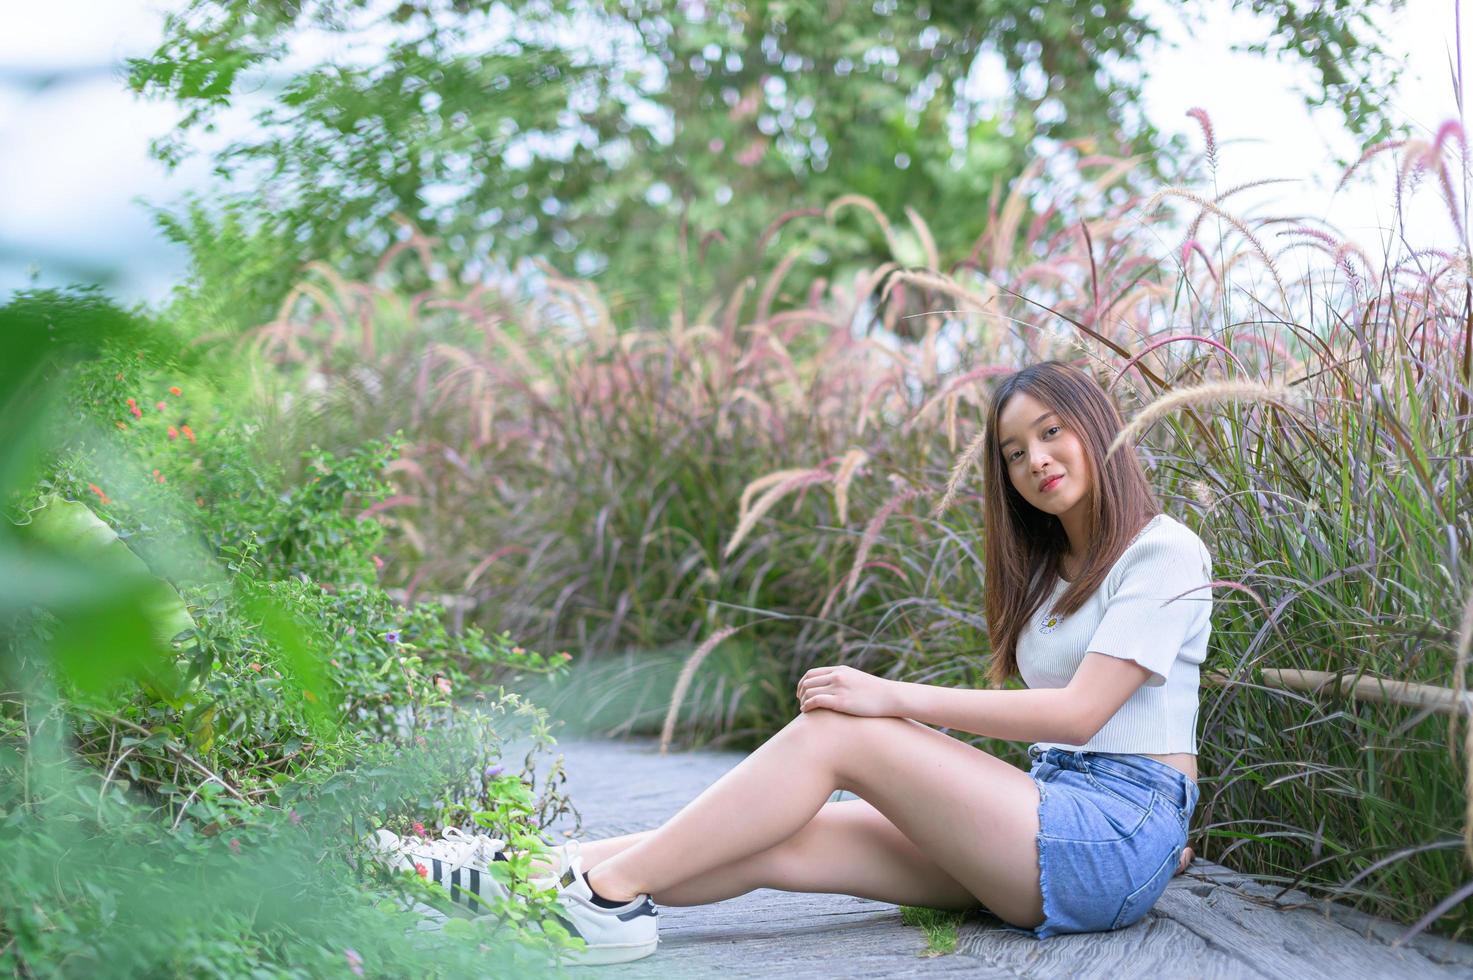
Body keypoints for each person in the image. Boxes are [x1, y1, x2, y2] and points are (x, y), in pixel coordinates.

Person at [372, 359, 1211, 964]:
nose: (1034, 460)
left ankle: (603, 901)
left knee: (839, 731)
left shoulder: (1162, 552)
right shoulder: (1049, 570)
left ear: (1100, 427)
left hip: (1111, 833)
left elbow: (1080, 714)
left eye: (1051, 432)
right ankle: (507, 870)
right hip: (1059, 813)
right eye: (1013, 451)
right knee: (782, 835)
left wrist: (888, 697)